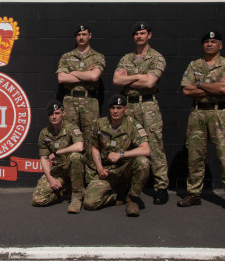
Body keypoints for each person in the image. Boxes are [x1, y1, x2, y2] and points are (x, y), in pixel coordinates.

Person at [179, 31, 225, 215]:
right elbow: (186, 90)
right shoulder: (194, 65)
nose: (209, 44)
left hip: (221, 114)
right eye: (206, 41)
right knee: (195, 156)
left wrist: (199, 84)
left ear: (220, 45)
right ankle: (194, 193)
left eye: (213, 42)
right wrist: (211, 88)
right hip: (198, 114)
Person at [113, 22, 169, 205]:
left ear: (149, 35)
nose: (139, 36)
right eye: (136, 33)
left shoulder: (156, 57)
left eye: (142, 33)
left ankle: (161, 187)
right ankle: (127, 186)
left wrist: (128, 79)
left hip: (148, 107)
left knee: (154, 145)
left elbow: (150, 83)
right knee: (127, 144)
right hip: (129, 106)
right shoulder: (126, 58)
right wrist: (140, 77)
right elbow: (116, 80)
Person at [84, 94, 150, 217]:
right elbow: (95, 147)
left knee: (143, 162)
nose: (115, 111)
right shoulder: (100, 124)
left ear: (126, 109)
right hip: (107, 171)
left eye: (119, 108)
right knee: (89, 203)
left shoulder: (133, 125)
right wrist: (99, 168)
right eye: (112, 108)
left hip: (125, 168)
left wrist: (121, 154)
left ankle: (132, 199)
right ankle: (116, 195)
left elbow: (146, 150)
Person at [57, 24, 105, 153]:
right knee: (69, 136)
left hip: (90, 101)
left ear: (90, 35)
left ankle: (91, 171)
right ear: (75, 37)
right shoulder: (66, 57)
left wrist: (73, 73)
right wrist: (85, 74)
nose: (81, 37)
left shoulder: (97, 57)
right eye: (79, 35)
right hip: (70, 101)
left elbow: (94, 76)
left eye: (84, 34)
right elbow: (62, 78)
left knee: (91, 138)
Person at [31, 100, 86, 214]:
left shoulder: (71, 128)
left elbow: (80, 146)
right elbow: (44, 158)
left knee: (76, 156)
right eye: (51, 114)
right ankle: (64, 190)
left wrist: (58, 152)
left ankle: (76, 197)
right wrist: (50, 179)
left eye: (57, 113)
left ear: (63, 114)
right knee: (38, 199)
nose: (54, 117)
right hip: (58, 170)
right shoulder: (45, 133)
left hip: (72, 168)